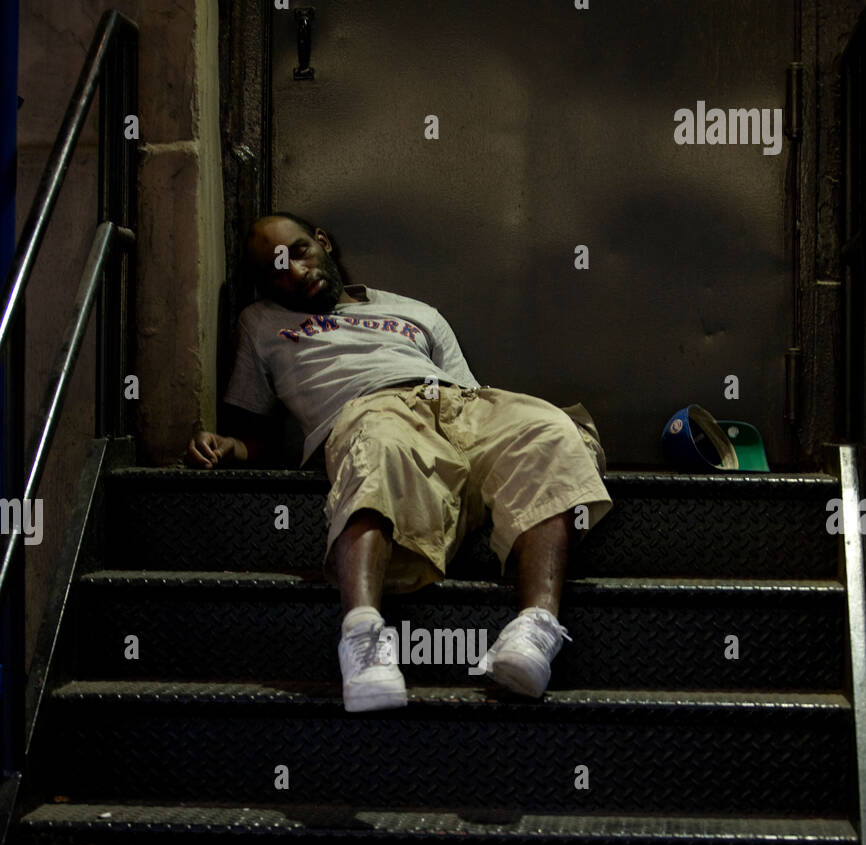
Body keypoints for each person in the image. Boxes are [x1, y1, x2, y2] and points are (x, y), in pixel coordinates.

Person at [186, 212, 613, 711]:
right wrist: (228, 447)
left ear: (323, 241)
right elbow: (255, 434)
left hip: (458, 405)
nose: (295, 273)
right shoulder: (260, 323)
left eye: (299, 252)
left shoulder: (416, 312)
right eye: (277, 269)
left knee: (549, 429)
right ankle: (363, 638)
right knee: (378, 448)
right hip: (371, 410)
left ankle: (535, 629)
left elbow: (468, 390)